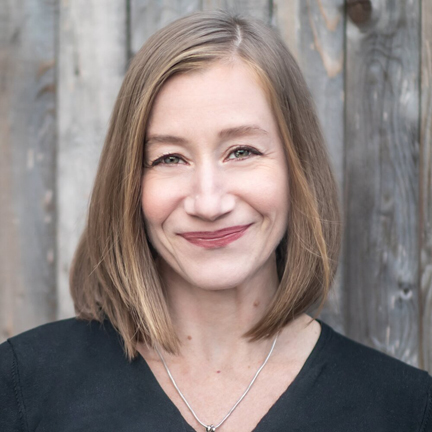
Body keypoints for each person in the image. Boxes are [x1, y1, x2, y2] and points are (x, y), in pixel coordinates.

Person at [1, 10, 431, 432]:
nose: (208, 203)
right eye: (170, 158)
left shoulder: (406, 409)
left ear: (298, 168)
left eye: (242, 151)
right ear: (129, 183)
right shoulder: (23, 388)